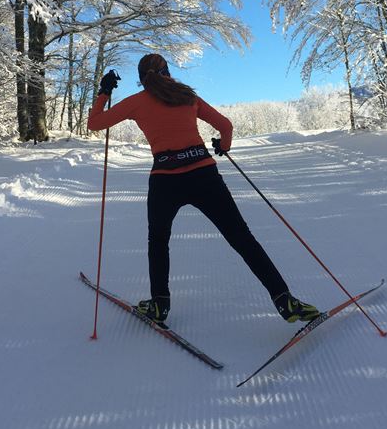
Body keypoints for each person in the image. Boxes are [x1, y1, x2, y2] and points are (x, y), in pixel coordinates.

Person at [87, 53, 319, 324]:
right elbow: (225, 125)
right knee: (241, 237)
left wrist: (104, 92)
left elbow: (94, 124)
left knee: (158, 242)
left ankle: (160, 305)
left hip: (165, 179)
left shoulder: (137, 102)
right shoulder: (188, 96)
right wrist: (224, 145)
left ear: (141, 80)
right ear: (168, 71)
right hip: (204, 176)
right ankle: (284, 300)